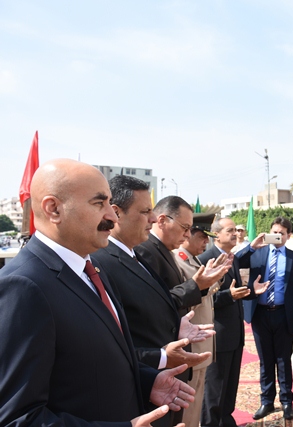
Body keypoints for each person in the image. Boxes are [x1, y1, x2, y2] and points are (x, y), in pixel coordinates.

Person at [0, 159, 195, 427]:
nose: (112, 216)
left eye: (110, 204)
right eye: (99, 203)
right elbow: (18, 418)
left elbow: (92, 364)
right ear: (53, 209)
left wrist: (147, 381)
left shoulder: (91, 269)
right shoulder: (23, 287)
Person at [92, 176, 219, 427]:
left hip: (161, 383)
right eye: (145, 211)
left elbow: (149, 308)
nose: (152, 218)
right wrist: (160, 357)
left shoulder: (133, 254)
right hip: (143, 388)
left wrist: (176, 326)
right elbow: (110, 342)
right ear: (117, 213)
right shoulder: (102, 261)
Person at [243, 216, 293, 421]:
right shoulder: (257, 254)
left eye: (282, 233)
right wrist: (252, 247)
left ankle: (287, 401)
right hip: (260, 314)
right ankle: (267, 401)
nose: (278, 235)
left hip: (283, 314)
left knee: (283, 359)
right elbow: (236, 261)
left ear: (288, 236)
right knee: (265, 360)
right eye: (274, 232)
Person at [198, 217, 257, 427]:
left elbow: (235, 292)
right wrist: (229, 296)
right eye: (230, 230)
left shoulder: (233, 258)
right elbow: (202, 299)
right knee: (214, 391)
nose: (235, 234)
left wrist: (251, 291)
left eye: (235, 230)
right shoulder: (205, 259)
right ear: (216, 234)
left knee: (229, 389)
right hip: (217, 336)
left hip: (234, 334)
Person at [174, 226, 221, 427]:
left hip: (201, 344)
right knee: (188, 411)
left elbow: (206, 292)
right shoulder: (178, 260)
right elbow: (184, 301)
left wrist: (216, 277)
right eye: (202, 237)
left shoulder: (193, 260)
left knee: (196, 407)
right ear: (188, 235)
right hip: (190, 344)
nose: (205, 243)